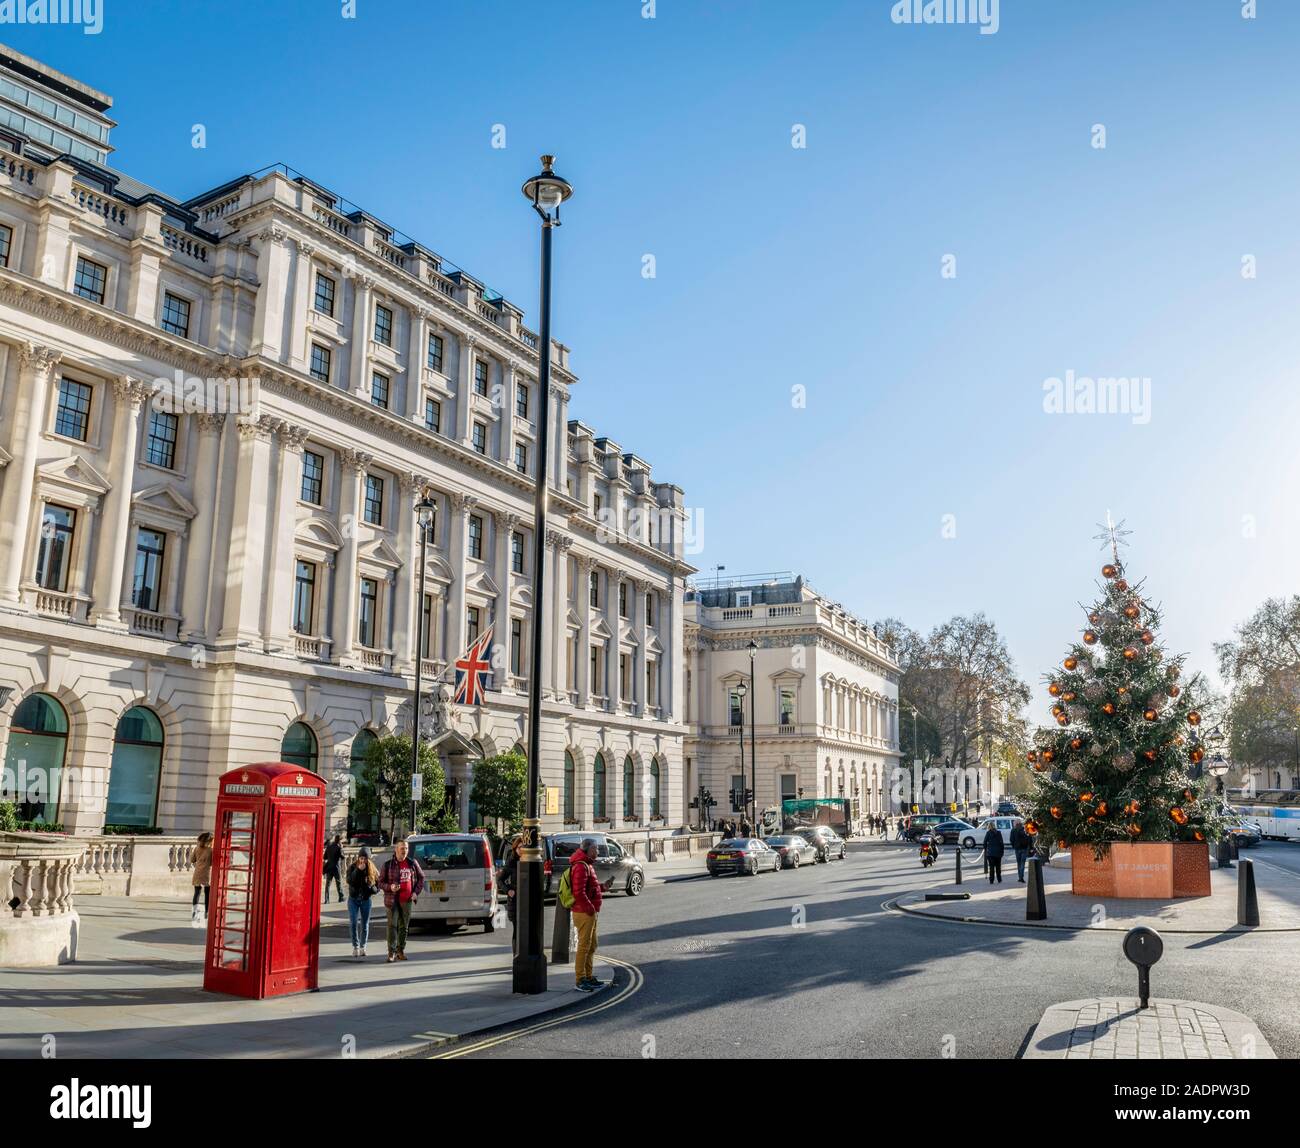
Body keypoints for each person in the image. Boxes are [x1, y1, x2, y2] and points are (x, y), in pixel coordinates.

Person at [569, 838, 613, 991]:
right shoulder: (581, 866)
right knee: (584, 946)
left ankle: (588, 976)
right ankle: (580, 980)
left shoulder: (587, 865)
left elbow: (591, 889)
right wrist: (590, 909)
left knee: (592, 945)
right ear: (588, 850)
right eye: (596, 849)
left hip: (589, 911)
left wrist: (603, 887)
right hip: (584, 912)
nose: (598, 851)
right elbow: (578, 893)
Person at [379, 838, 425, 962]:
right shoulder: (388, 865)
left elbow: (421, 878)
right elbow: (380, 883)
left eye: (406, 848)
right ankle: (391, 952)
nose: (404, 851)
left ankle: (400, 950)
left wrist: (416, 893)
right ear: (396, 850)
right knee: (392, 925)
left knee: (404, 927)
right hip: (392, 900)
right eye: (402, 848)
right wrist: (390, 887)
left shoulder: (412, 863)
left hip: (407, 899)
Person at [346, 846, 380, 958]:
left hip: (366, 900)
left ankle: (363, 946)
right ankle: (355, 947)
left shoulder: (372, 870)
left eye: (365, 858)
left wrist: (373, 889)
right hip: (353, 899)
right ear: (358, 857)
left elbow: (378, 885)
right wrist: (358, 870)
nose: (362, 860)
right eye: (361, 857)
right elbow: (350, 880)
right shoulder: (352, 867)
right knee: (353, 923)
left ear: (368, 859)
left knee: (365, 924)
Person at [500, 835, 523, 953]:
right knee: (517, 931)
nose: (521, 850)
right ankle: (516, 955)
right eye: (519, 847)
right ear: (515, 849)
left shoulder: (530, 860)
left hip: (526, 901)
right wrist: (508, 890)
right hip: (515, 901)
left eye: (524, 847)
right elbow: (500, 879)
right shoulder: (512, 861)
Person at [190, 832, 212, 927]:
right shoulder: (210, 850)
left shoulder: (197, 848)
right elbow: (212, 863)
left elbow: (192, 860)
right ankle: (207, 912)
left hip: (197, 872)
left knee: (197, 893)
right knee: (207, 893)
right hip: (206, 873)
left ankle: (194, 913)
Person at [322, 834, 344, 903]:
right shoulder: (339, 847)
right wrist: (341, 848)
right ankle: (341, 897)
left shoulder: (329, 846)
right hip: (336, 867)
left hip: (329, 867)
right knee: (338, 883)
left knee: (328, 884)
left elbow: (324, 857)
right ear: (339, 840)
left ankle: (326, 899)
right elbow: (342, 857)